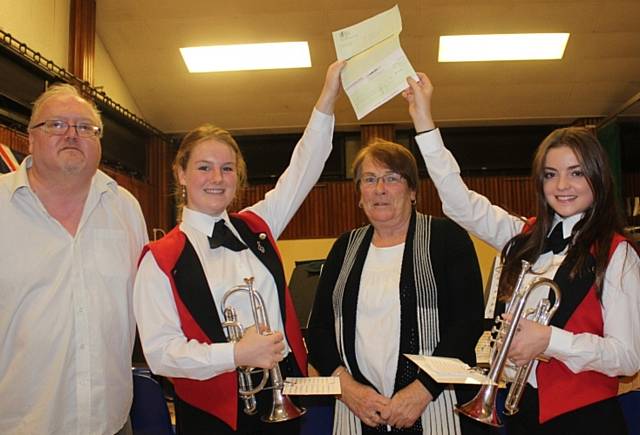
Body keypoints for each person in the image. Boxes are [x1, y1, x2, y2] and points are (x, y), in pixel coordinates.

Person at [402, 72, 640, 435]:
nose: (562, 186)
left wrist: (550, 341)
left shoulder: (618, 254)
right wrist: (424, 121)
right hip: (521, 412)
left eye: (576, 173)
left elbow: (628, 358)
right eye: (550, 174)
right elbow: (459, 202)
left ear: (598, 176)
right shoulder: (524, 236)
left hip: (586, 419)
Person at [132, 61, 344, 435]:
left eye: (228, 169)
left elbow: (303, 169)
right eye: (204, 167)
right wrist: (235, 354)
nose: (217, 178)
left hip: (285, 403)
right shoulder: (161, 258)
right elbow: (162, 353)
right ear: (180, 174)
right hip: (215, 418)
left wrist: (327, 96)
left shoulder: (257, 227)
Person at [306, 139, 491, 435]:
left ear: (413, 191)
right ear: (359, 195)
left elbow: (466, 323)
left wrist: (422, 390)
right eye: (369, 179)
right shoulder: (344, 247)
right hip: (358, 410)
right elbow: (318, 331)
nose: (380, 189)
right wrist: (349, 390)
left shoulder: (447, 238)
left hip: (434, 405)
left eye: (392, 178)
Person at [0, 84, 148, 435]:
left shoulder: (125, 207)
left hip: (111, 423)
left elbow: (150, 303)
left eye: (85, 128)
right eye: (55, 125)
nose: (71, 134)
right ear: (30, 138)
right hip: (19, 423)